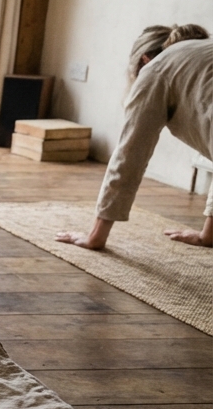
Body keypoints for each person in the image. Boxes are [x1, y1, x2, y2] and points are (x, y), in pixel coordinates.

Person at [56, 23, 212, 250]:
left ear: (144, 60)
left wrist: (95, 237)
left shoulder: (156, 69)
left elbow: (129, 156)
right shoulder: (200, 55)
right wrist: (207, 236)